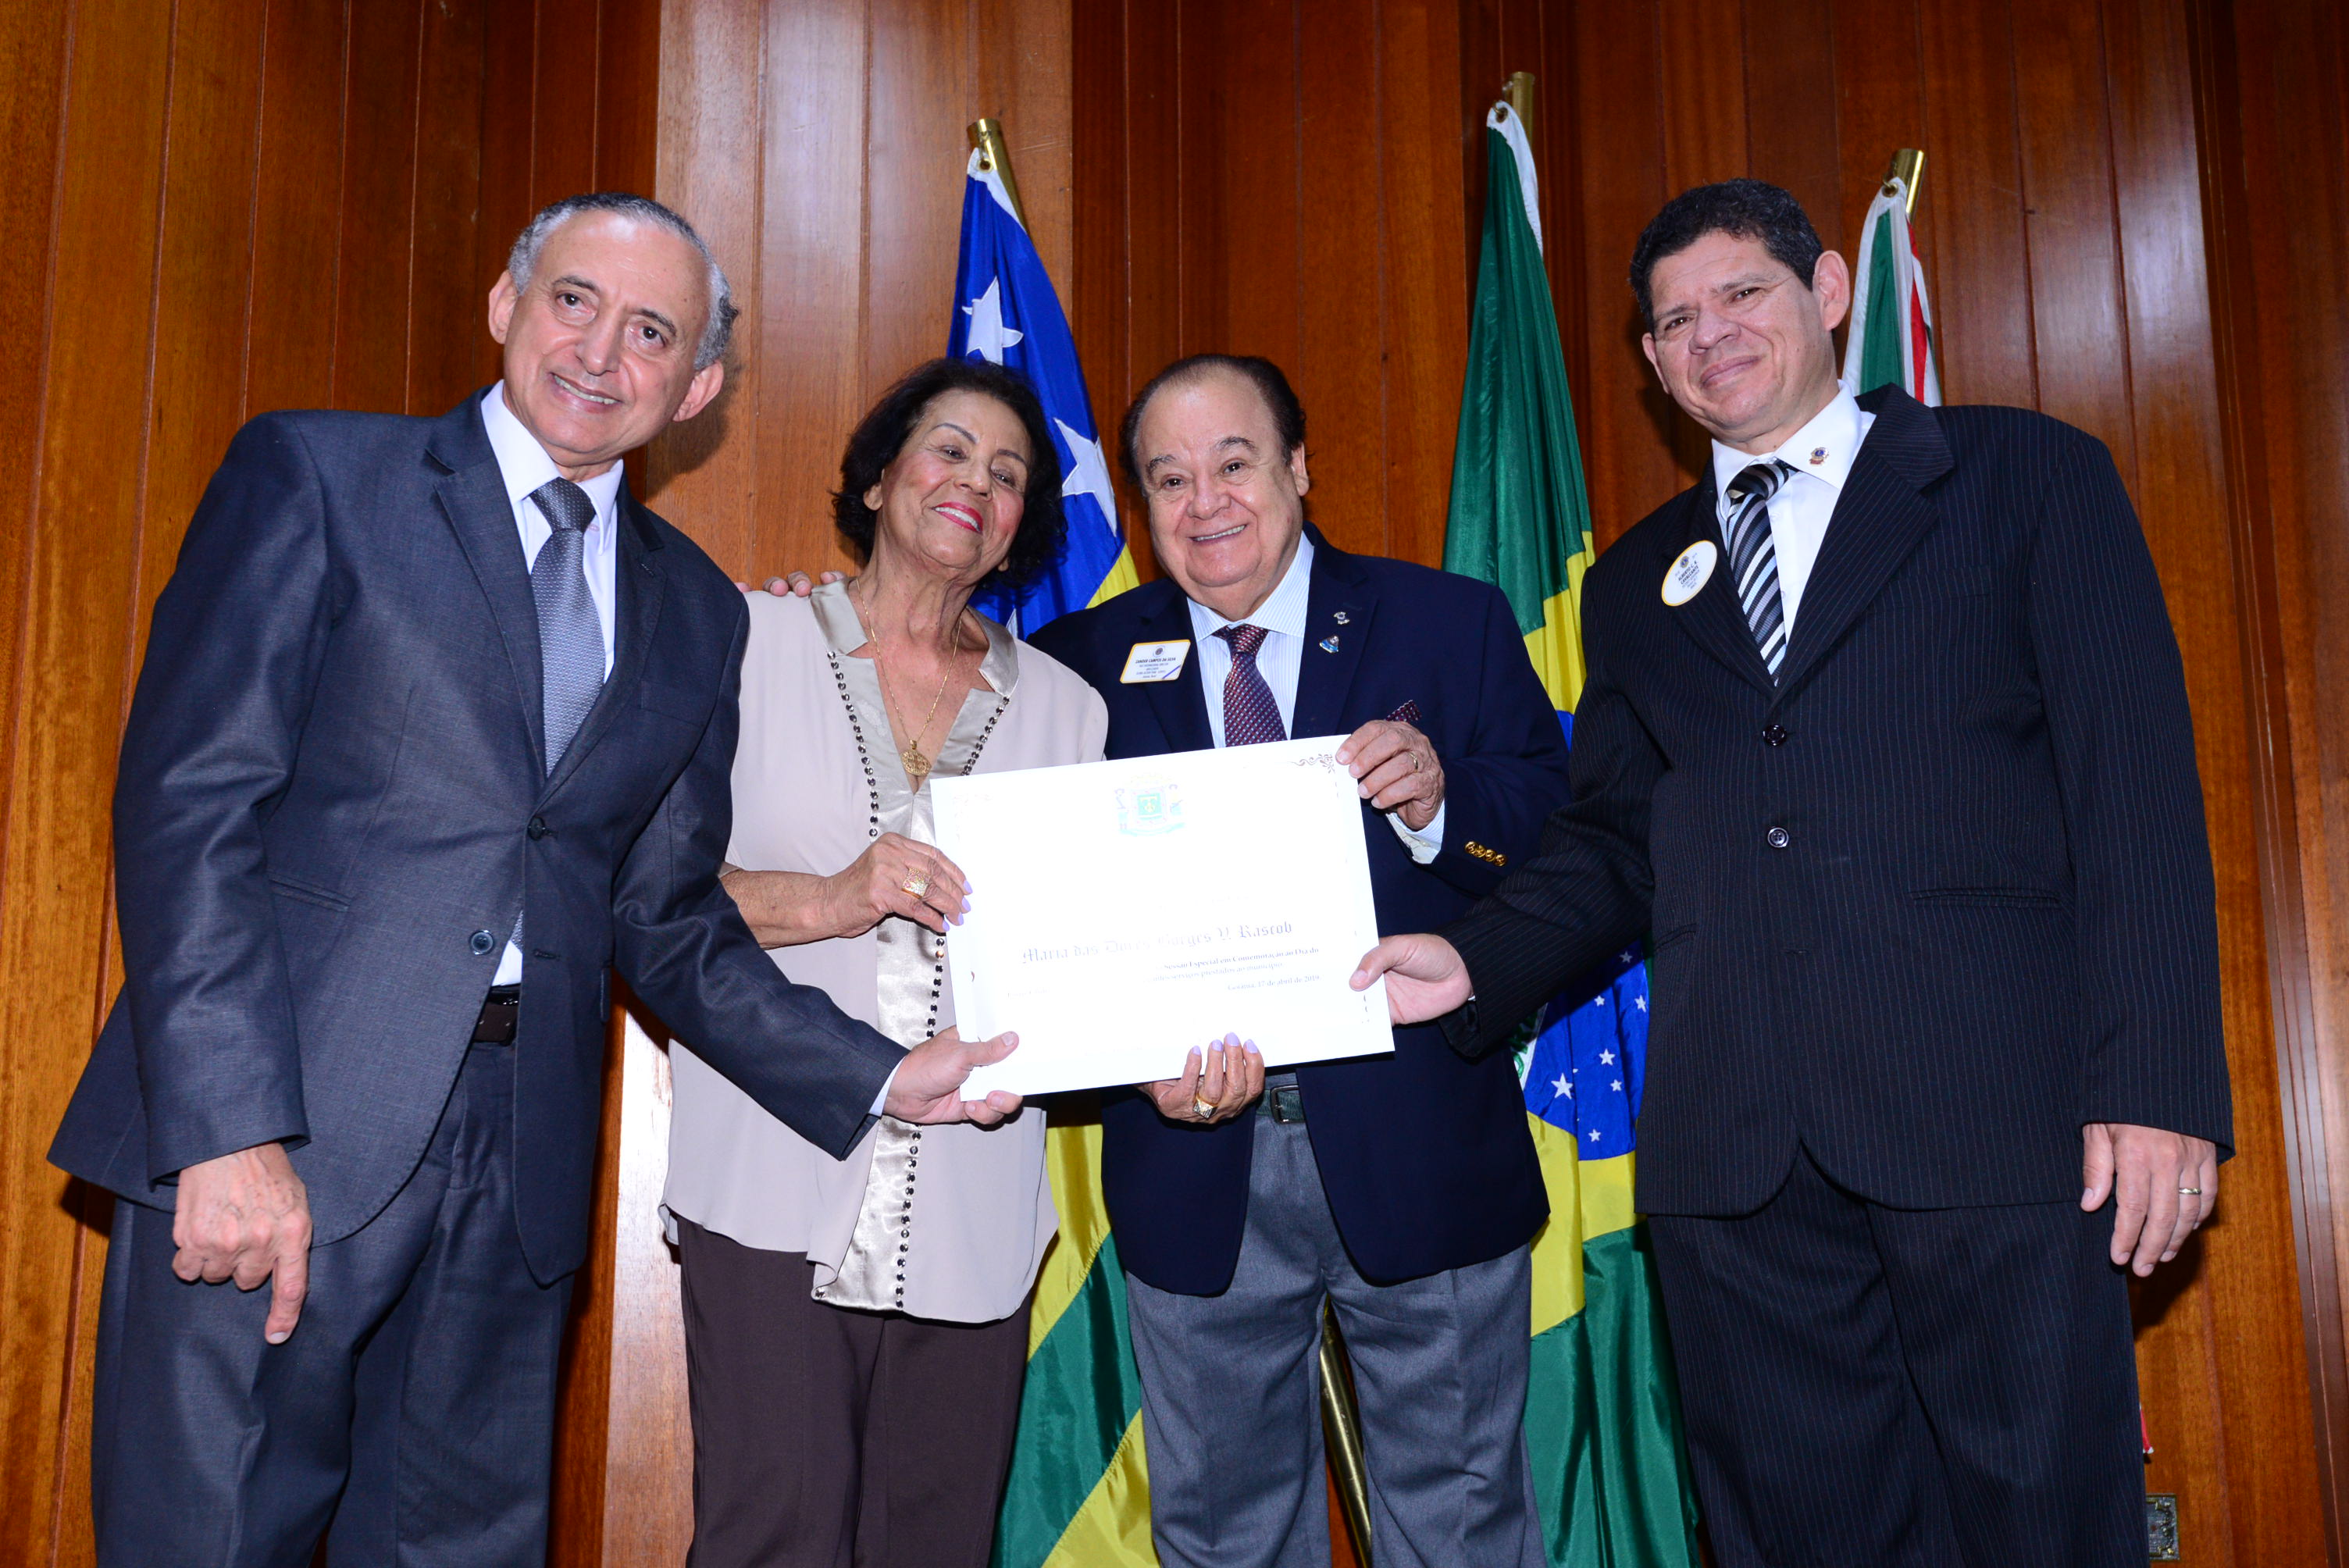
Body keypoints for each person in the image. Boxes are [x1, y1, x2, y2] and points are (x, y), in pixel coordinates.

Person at [47, 192, 1020, 1568]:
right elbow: (191, 807)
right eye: (574, 302)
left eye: (653, 333)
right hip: (283, 1130)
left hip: (519, 1169)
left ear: (698, 387)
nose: (603, 353)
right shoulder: (321, 476)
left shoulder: (697, 609)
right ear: (507, 306)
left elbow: (664, 916)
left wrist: (877, 1073)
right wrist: (225, 1130)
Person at [1356, 179, 2232, 1567]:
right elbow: (1618, 838)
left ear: (1827, 292)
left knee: (2039, 1526)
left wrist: (2160, 1087)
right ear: (1652, 364)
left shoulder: (2024, 476)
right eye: (1673, 323)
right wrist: (1474, 961)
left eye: (1741, 294)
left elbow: (2134, 797)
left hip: (1996, 1127)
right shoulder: (1637, 582)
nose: (1708, 335)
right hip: (1737, 1162)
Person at [1026, 355, 1574, 1568]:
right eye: (1170, 479)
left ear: (1299, 468)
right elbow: (1033, 906)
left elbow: (1563, 838)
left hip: (1421, 1142)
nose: (1205, 502)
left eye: (1234, 464)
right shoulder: (1073, 664)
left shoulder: (1449, 622)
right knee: (1225, 1540)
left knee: (1466, 1531)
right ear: (1140, 505)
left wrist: (1440, 800)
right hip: (1192, 1161)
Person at [661, 358, 1106, 1567]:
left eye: (1009, 474)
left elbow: (1080, 950)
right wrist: (832, 896)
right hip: (769, 1174)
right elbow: (649, 900)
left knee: (936, 1544)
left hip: (975, 1193)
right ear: (876, 479)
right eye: (950, 449)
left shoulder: (1072, 712)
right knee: (774, 1538)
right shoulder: (743, 640)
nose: (976, 483)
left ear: (1024, 525)